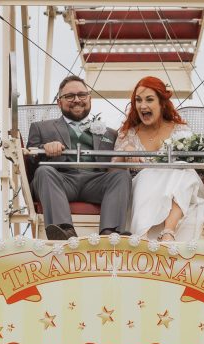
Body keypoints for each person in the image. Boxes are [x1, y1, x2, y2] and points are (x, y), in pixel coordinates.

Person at [27, 75, 132, 240]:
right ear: (59, 102)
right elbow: (30, 162)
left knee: (121, 175)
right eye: (69, 96)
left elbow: (115, 164)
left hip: (95, 182)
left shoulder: (110, 133)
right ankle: (63, 231)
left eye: (82, 95)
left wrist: (128, 151)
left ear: (89, 99)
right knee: (44, 171)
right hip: (60, 180)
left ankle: (111, 233)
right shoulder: (41, 128)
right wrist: (44, 148)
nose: (77, 100)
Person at [114, 76, 204, 241]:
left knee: (183, 168)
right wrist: (125, 151)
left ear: (161, 103)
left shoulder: (180, 131)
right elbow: (112, 171)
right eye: (138, 100)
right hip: (141, 188)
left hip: (175, 188)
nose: (143, 106)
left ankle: (168, 231)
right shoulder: (128, 134)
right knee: (149, 173)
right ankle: (142, 234)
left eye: (149, 100)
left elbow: (192, 164)